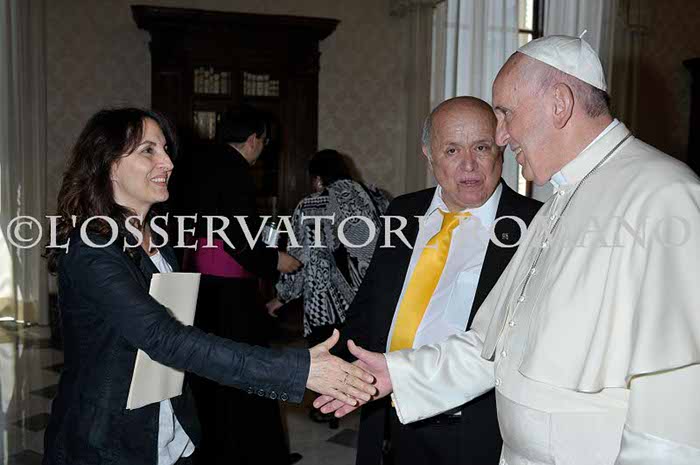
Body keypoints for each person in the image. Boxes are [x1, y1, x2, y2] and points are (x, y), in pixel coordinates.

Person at [315, 36, 700, 465]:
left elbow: (674, 414)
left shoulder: (662, 195)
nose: (500, 135)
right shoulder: (560, 201)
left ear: (559, 104)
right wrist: (399, 374)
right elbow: (495, 343)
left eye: (505, 114)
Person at [42, 108, 376, 465]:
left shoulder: (157, 239)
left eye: (165, 149)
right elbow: (165, 338)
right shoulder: (92, 250)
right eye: (148, 150)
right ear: (109, 165)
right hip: (107, 441)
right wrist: (299, 370)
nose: (167, 162)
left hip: (170, 433)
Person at [335, 97, 540, 465]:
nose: (469, 165)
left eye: (481, 147)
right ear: (428, 153)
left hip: (476, 430)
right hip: (388, 416)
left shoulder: (534, 226)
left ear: (501, 148)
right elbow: (369, 308)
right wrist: (337, 369)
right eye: (452, 150)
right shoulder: (403, 212)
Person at [179, 106, 301, 464]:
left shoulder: (198, 164)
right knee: (249, 371)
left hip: (202, 283)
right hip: (230, 290)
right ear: (252, 140)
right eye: (263, 141)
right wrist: (274, 260)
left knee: (210, 372)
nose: (262, 149)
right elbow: (238, 236)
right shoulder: (234, 169)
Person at [267, 149, 389, 427]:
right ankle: (377, 420)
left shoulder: (310, 205)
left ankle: (328, 409)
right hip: (374, 302)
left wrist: (281, 297)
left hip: (327, 308)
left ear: (318, 179)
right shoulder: (378, 198)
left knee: (327, 362)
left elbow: (298, 258)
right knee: (371, 362)